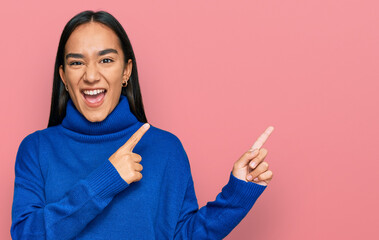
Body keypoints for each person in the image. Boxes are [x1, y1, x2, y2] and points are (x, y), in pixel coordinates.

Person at [10, 10, 274, 240]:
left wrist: (238, 194)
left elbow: (183, 235)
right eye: (77, 63)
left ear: (126, 71)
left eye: (106, 60)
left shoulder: (165, 148)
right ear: (64, 77)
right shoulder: (36, 149)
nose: (91, 76)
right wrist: (106, 181)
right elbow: (26, 235)